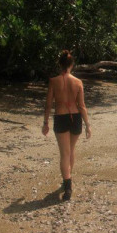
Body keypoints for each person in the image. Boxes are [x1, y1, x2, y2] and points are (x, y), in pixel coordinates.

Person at [42, 50, 92, 201]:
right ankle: (68, 180)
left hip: (61, 117)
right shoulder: (78, 82)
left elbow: (49, 104)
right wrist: (88, 125)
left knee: (64, 153)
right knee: (71, 151)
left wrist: (45, 123)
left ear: (59, 64)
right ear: (72, 65)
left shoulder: (54, 81)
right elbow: (82, 105)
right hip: (76, 118)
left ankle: (67, 185)